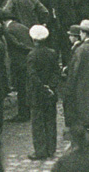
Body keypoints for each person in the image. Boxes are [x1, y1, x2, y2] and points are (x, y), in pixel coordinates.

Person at [61, 20, 89, 151]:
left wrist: (69, 89)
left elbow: (74, 71)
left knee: (83, 116)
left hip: (83, 88)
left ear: (83, 33)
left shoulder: (81, 50)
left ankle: (83, 143)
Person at [26, 24, 60, 161]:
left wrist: (42, 87)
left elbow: (32, 75)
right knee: (50, 120)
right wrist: (50, 86)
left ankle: (40, 150)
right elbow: (56, 71)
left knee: (38, 122)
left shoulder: (32, 55)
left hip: (37, 94)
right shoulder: (52, 53)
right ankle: (51, 148)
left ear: (34, 40)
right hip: (50, 93)